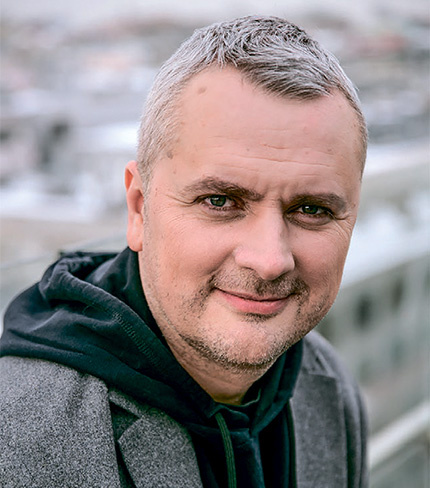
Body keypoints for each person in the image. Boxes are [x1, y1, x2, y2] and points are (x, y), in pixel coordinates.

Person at [0, 16, 368, 488]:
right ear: (139, 208)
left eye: (312, 210)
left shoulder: (327, 385)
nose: (269, 260)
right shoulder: (19, 440)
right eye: (220, 201)